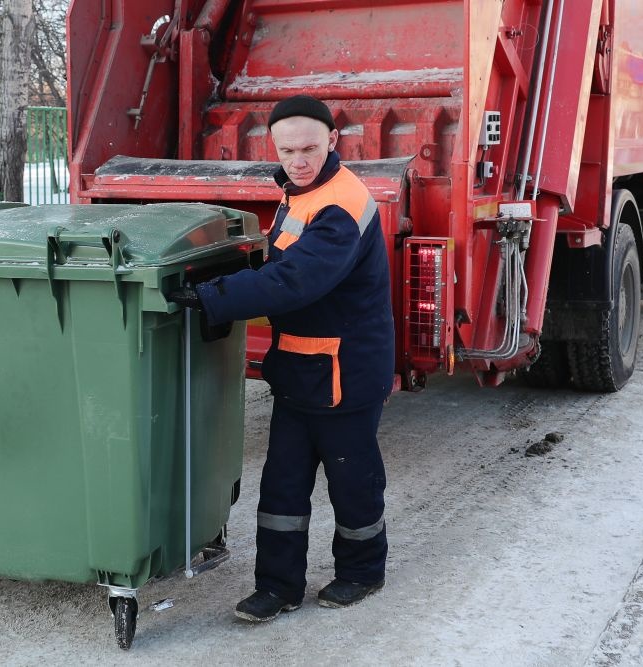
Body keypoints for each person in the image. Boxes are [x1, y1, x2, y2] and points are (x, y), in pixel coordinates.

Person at [167, 95, 395, 622]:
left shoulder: (341, 204)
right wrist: (216, 277)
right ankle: (278, 587)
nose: (298, 159)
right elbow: (278, 259)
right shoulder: (299, 192)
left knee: (352, 481)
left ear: (333, 141)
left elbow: (297, 279)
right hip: (299, 369)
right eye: (287, 149)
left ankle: (362, 572)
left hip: (346, 373)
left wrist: (214, 297)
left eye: (310, 148)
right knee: (282, 486)